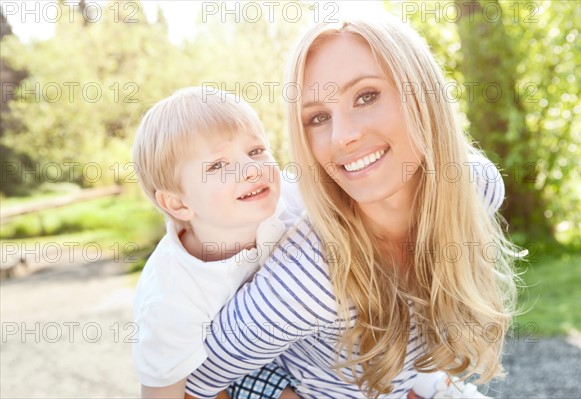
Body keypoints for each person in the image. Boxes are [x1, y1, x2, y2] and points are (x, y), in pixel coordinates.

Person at [186, 12, 520, 399]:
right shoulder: (311, 277)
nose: (343, 136)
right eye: (318, 117)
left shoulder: (478, 185)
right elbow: (193, 380)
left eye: (366, 96)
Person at [131, 87, 301, 398]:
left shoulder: (291, 197)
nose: (252, 169)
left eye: (256, 151)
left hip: (293, 343)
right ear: (178, 203)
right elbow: (163, 389)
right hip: (223, 374)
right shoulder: (172, 297)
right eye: (217, 166)